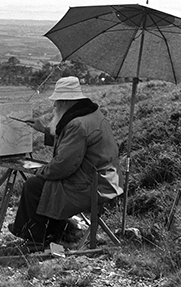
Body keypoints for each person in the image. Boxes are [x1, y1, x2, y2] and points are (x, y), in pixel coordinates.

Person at [8, 76, 122, 251]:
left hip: (91, 186)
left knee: (34, 186)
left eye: (57, 102)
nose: (54, 106)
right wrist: (45, 130)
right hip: (106, 179)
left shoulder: (77, 124)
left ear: (65, 102)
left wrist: (39, 170)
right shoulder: (91, 114)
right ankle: (54, 230)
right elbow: (74, 143)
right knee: (45, 185)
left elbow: (63, 166)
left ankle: (34, 240)